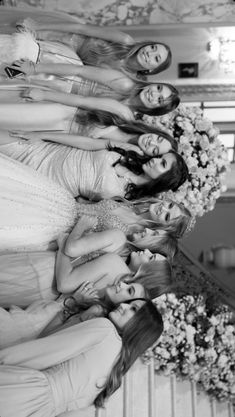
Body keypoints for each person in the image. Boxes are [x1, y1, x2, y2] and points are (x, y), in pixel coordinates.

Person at [0, 300, 163, 414]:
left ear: (140, 327)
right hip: (40, 411)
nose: (123, 305)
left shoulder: (105, 329)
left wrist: (4, 359)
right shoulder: (117, 370)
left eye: (133, 309)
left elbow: (45, 352)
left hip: (26, 390)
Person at [0, 130, 188, 200]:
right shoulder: (133, 152)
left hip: (41, 184)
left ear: (164, 179)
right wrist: (43, 136)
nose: (155, 159)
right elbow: (86, 142)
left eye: (162, 163)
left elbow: (82, 204)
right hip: (43, 152)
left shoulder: (128, 198)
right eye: (161, 157)